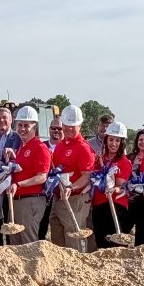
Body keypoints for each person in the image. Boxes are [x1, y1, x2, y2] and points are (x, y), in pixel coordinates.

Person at [48, 105, 95, 249]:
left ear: (80, 125)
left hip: (75, 199)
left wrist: (71, 187)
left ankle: (77, 267)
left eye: (72, 126)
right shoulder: (61, 145)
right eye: (66, 125)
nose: (68, 129)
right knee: (57, 236)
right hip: (59, 198)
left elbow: (87, 176)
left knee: (73, 237)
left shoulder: (83, 148)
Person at [7, 106, 52, 244]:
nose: (22, 129)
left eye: (26, 125)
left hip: (31, 200)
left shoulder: (39, 147)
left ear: (35, 127)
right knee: (15, 241)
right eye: (20, 125)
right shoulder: (22, 147)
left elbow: (42, 176)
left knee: (28, 242)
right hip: (17, 200)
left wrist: (18, 184)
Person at [91, 122, 133, 249]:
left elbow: (121, 186)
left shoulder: (124, 162)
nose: (113, 143)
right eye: (111, 139)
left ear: (122, 143)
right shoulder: (100, 160)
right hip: (99, 205)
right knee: (101, 242)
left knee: (114, 245)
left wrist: (114, 188)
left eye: (117, 140)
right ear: (106, 140)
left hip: (116, 207)